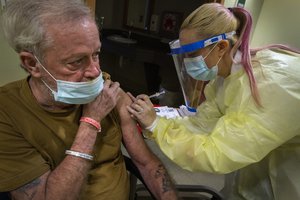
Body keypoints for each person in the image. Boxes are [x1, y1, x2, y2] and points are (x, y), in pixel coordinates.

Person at [0, 0, 178, 199]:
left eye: (96, 54)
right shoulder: (7, 113)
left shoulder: (108, 92)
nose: (95, 71)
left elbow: (147, 163)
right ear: (33, 64)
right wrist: (91, 121)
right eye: (76, 61)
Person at [127, 3, 300, 200]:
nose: (187, 62)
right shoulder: (225, 80)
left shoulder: (272, 85)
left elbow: (216, 152)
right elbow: (200, 124)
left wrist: (156, 125)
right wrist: (155, 120)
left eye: (192, 54)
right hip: (254, 179)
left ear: (221, 47)